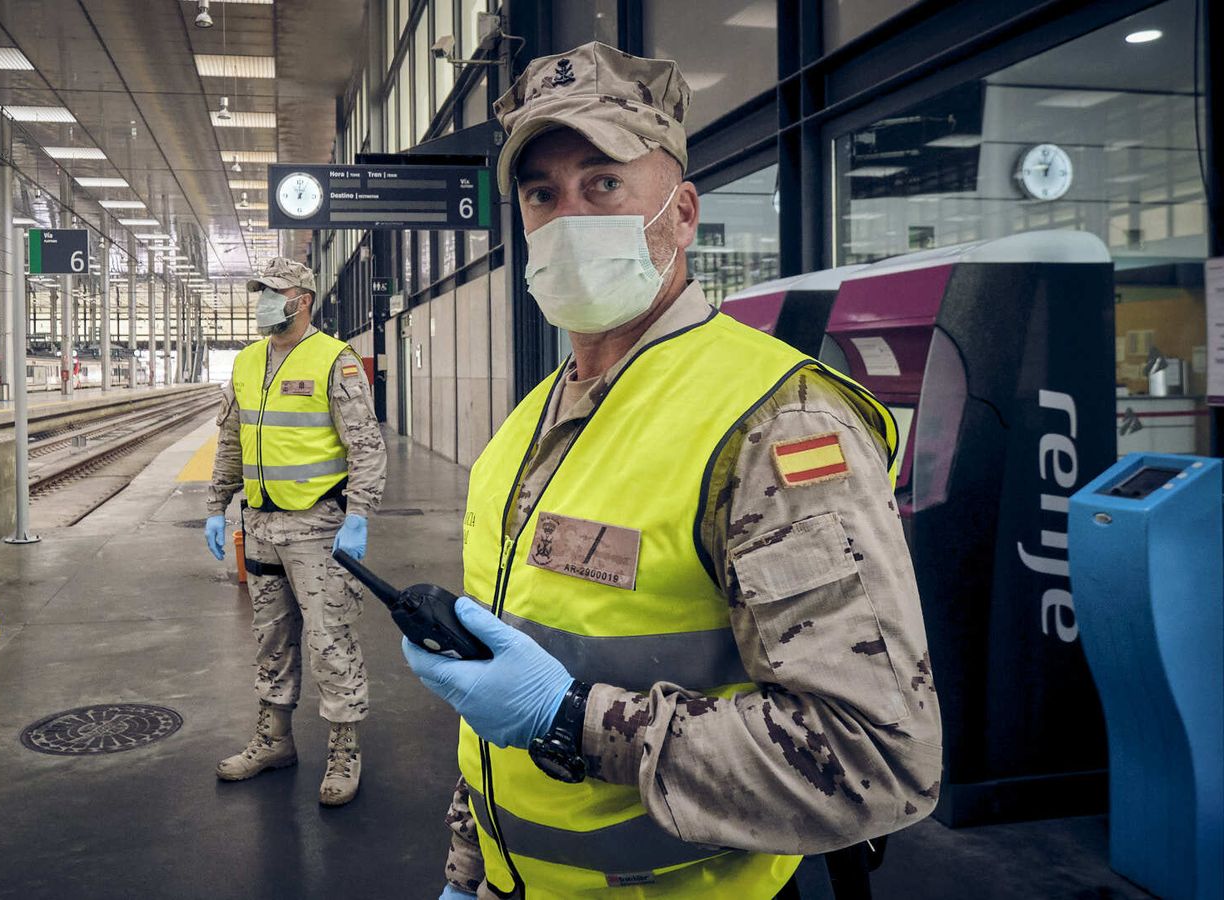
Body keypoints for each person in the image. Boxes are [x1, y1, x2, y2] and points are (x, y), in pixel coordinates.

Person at [402, 42, 944, 898]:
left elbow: (875, 755)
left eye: (604, 182)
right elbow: (506, 689)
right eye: (542, 193)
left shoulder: (774, 422)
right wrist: (469, 870)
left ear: (683, 213)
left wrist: (572, 719)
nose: (568, 215)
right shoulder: (524, 429)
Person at [204, 256, 387, 807]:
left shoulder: (336, 360)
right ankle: (273, 740)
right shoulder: (245, 362)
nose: (260, 299)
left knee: (331, 637)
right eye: (257, 290)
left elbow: (366, 445)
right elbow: (231, 440)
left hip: (318, 526)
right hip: (260, 523)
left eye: (270, 290)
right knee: (271, 638)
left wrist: (359, 515)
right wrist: (217, 504)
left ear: (301, 300)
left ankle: (344, 749)